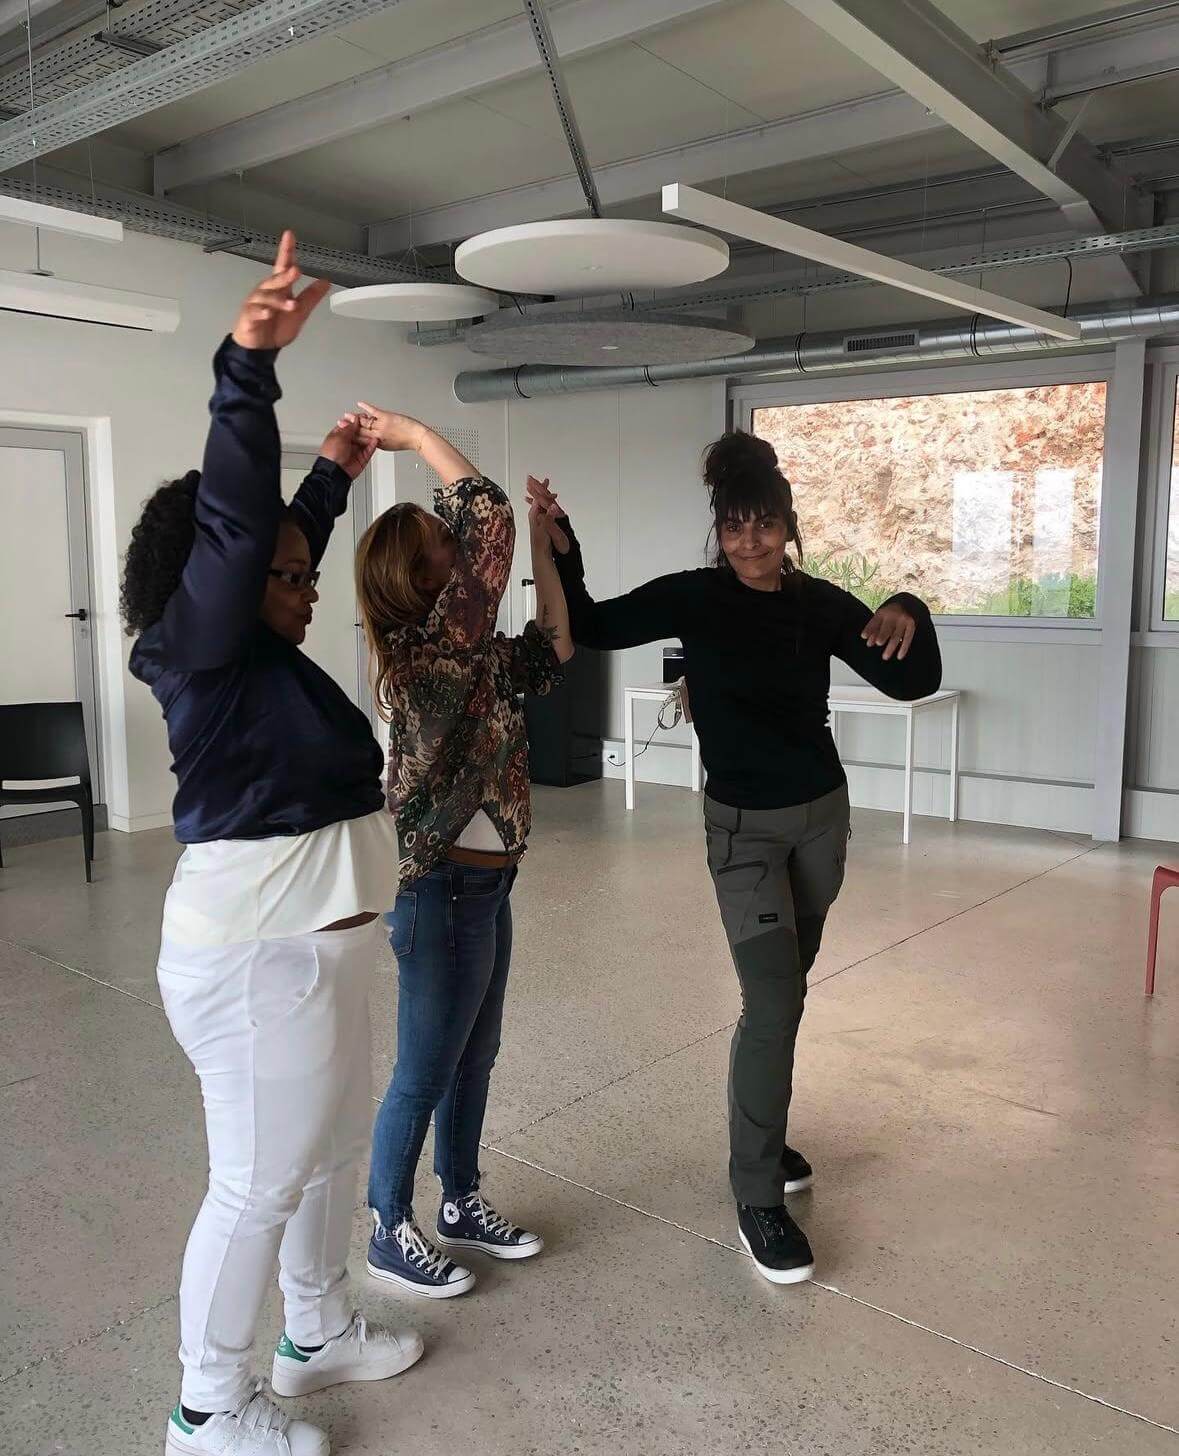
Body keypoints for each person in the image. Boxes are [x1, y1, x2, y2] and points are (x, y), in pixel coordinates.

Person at [123, 234, 421, 1456]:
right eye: (286, 575)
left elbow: (275, 537)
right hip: (259, 966)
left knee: (325, 1154)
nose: (308, 587)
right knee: (256, 1181)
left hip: (318, 958)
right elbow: (242, 529)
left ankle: (315, 1329)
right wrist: (247, 369)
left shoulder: (255, 652)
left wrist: (335, 475)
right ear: (224, 578)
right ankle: (207, 1407)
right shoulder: (203, 656)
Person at [527, 431, 942, 1287]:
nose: (749, 542)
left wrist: (908, 603)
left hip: (819, 823)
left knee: (787, 994)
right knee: (772, 1000)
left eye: (764, 525)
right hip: (742, 834)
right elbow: (594, 625)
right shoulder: (695, 597)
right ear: (718, 529)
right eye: (734, 526)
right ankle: (756, 1192)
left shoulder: (819, 604)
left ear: (788, 527)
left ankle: (764, 1131)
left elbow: (910, 681)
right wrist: (564, 549)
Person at [352, 412, 573, 1298]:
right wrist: (411, 434)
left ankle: (460, 1201)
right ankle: (387, 1226)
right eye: (444, 546)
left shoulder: (473, 655)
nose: (462, 549)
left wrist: (546, 553)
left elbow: (553, 646)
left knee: (473, 1059)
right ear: (420, 581)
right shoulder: (425, 654)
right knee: (423, 1073)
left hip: (488, 887)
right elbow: (488, 513)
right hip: (440, 892)